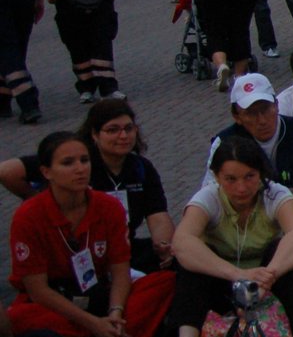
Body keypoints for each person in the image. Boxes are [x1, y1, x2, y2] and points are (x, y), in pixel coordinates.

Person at [163, 137, 293, 337]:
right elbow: (182, 242)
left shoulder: (276, 194)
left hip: (265, 283)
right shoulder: (208, 198)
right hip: (223, 280)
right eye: (231, 179)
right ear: (217, 176)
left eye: (249, 177)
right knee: (191, 265)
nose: (241, 187)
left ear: (261, 173)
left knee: (289, 256)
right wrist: (238, 275)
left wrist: (268, 276)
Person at [6, 130, 174, 337]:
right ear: (47, 172)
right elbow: (38, 291)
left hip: (99, 293)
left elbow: (120, 270)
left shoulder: (108, 206)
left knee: (167, 281)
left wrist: (115, 313)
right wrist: (93, 324)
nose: (80, 169)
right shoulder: (28, 216)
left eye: (84, 160)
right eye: (68, 163)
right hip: (57, 300)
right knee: (17, 318)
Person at [3, 99, 179, 273]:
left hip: (123, 246)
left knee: (182, 257)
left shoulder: (141, 167)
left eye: (128, 128)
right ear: (94, 134)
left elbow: (157, 215)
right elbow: (7, 171)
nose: (123, 136)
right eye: (113, 130)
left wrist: (163, 245)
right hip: (79, 251)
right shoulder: (78, 162)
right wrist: (40, 201)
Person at [201, 74, 293, 230]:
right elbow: (209, 193)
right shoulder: (223, 142)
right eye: (251, 113)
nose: (262, 120)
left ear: (277, 105)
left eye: (266, 109)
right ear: (237, 116)